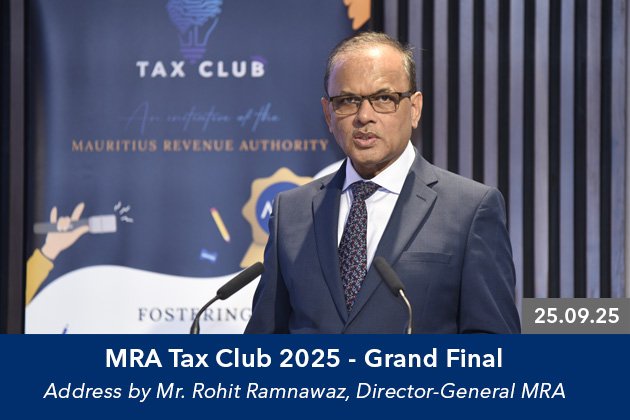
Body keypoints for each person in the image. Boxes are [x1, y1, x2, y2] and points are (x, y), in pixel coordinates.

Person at [245, 32, 520, 333]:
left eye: (383, 99)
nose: (364, 116)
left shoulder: (469, 209)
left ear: (414, 108)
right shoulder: (291, 212)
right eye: (347, 101)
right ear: (328, 114)